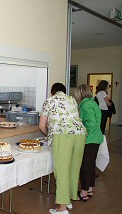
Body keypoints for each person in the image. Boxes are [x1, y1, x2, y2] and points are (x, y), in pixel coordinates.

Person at [39, 83, 86, 214]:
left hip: (63, 135)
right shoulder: (72, 100)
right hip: (80, 135)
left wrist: (49, 133)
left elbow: (42, 126)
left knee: (61, 171)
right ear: (64, 92)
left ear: (52, 92)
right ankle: (69, 200)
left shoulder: (49, 100)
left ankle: (62, 208)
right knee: (73, 168)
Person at [74, 84, 103, 201]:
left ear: (79, 94)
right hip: (96, 138)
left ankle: (84, 192)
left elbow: (91, 123)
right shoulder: (93, 103)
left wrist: (84, 134)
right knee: (90, 164)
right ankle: (90, 188)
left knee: (85, 165)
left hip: (89, 139)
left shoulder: (85, 106)